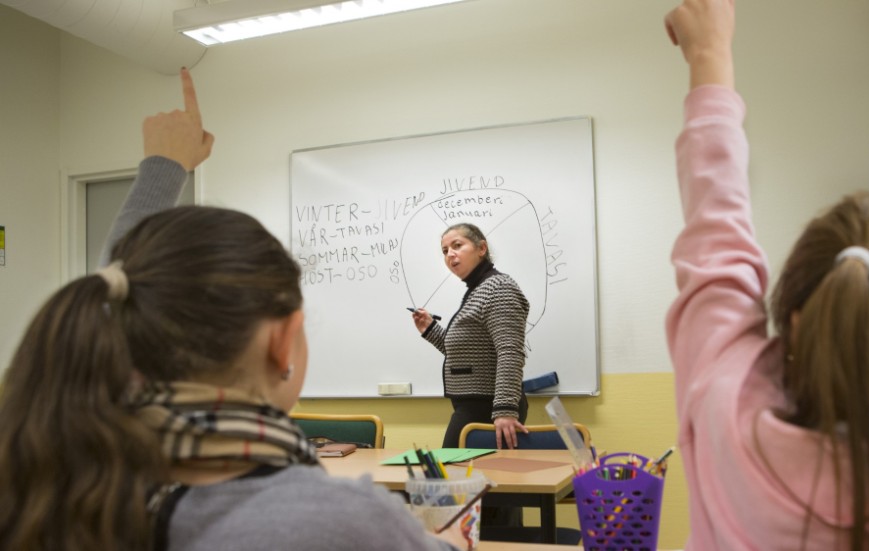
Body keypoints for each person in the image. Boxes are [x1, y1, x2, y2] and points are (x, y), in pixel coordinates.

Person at [0, 69, 467, 551]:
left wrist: (163, 166)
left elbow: (125, 286)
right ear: (282, 341)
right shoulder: (335, 523)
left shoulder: (58, 487)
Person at [664, 1, 869, 549]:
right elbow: (718, 246)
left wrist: (708, 54)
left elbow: (716, 235)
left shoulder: (725, 403)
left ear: (794, 317)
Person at [410, 223, 530, 450]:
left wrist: (504, 409)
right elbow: (466, 353)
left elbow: (510, 351)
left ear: (481, 248)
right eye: (445, 251)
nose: (450, 254)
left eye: (457, 245)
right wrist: (430, 329)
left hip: (489, 406)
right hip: (475, 404)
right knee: (462, 479)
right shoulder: (478, 290)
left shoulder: (498, 287)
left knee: (454, 478)